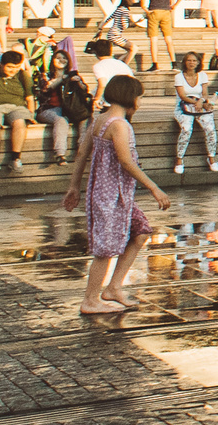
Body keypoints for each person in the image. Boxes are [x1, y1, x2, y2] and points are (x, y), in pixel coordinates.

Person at [65, 73, 171, 314]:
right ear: (130, 97)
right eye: (140, 97)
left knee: (141, 231)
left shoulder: (99, 120)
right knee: (105, 248)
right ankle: (90, 300)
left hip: (114, 194)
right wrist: (154, 188)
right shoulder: (119, 126)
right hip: (110, 196)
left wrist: (74, 187)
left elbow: (81, 154)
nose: (140, 102)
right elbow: (125, 162)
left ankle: (113, 288)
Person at [36, 50, 91, 167]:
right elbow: (45, 89)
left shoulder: (73, 74)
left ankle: (82, 151)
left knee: (85, 118)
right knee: (61, 120)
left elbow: (85, 90)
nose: (61, 60)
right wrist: (62, 79)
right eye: (58, 58)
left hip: (69, 109)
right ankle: (60, 154)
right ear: (52, 60)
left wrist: (79, 82)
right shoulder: (45, 75)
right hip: (49, 109)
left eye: (64, 58)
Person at [170, 51, 218, 175]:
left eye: (194, 61)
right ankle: (179, 160)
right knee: (186, 128)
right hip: (183, 107)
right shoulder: (179, 76)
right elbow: (182, 95)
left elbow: (204, 93)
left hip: (200, 106)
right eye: (189, 60)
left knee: (210, 128)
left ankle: (211, 158)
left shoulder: (202, 75)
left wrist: (202, 101)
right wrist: (196, 102)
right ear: (185, 62)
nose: (192, 63)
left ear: (198, 62)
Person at [141, 0, 179, 70]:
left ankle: (155, 63)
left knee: (154, 39)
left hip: (154, 11)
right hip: (166, 11)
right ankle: (173, 62)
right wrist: (174, 5)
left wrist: (144, 6)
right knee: (168, 39)